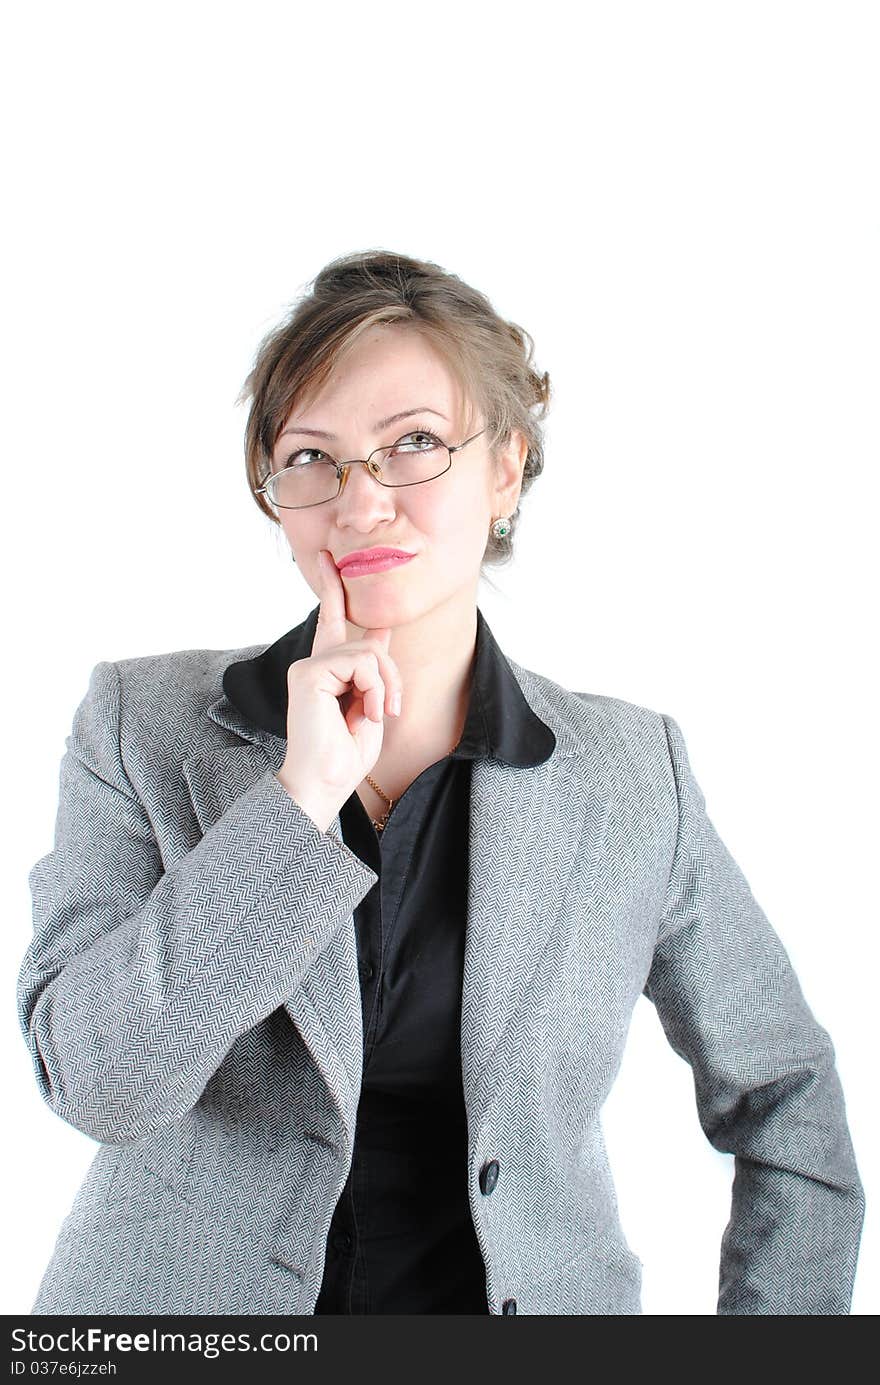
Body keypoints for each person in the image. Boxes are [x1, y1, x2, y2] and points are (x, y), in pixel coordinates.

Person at [18, 249, 864, 1316]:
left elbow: (787, 1097)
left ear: (504, 466)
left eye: (413, 443)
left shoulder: (630, 775)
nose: (360, 503)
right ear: (275, 495)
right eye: (312, 458)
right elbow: (99, 1084)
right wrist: (295, 803)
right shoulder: (140, 722)